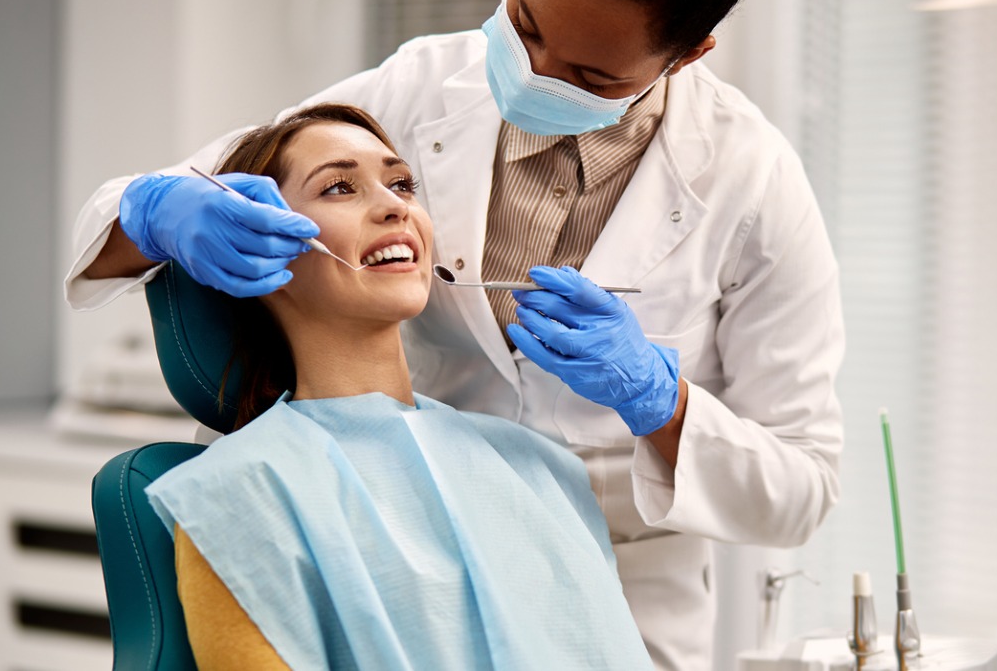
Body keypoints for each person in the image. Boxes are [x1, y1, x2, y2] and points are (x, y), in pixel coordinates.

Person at [67, 0, 846, 667]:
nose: (535, 72)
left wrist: (660, 402)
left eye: (589, 76)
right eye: (527, 25)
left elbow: (802, 487)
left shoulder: (751, 180)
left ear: (688, 55)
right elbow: (182, 191)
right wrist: (157, 210)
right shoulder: (251, 497)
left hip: (608, 566)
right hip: (386, 529)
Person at [145, 102, 654, 670]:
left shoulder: (540, 469)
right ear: (257, 246)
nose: (395, 206)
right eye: (340, 188)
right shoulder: (237, 495)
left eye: (403, 184)